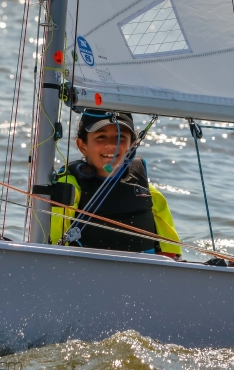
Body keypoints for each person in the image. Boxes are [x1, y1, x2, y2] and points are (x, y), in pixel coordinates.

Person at [50, 109, 182, 258]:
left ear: (132, 145)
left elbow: (171, 255)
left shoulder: (149, 194)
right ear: (82, 145)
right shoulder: (69, 188)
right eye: (101, 137)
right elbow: (53, 250)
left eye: (120, 137)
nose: (112, 144)